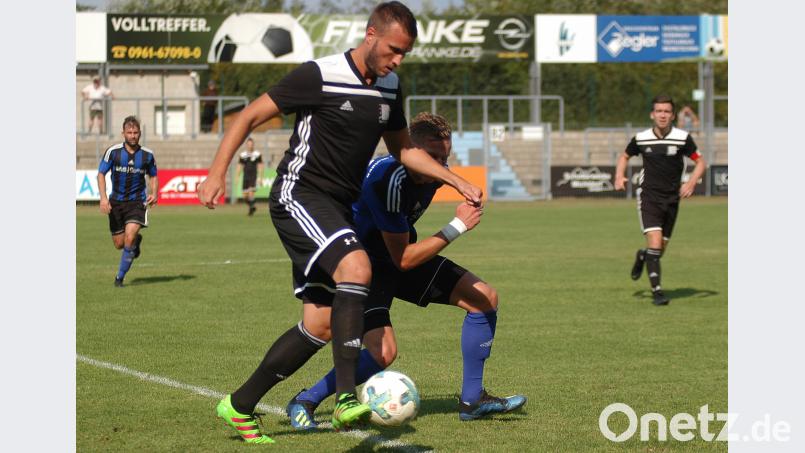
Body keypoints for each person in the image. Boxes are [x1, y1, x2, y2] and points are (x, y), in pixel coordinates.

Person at [197, 2, 482, 444]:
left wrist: (455, 180)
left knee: (320, 324)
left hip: (336, 208)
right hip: (300, 194)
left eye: (405, 53)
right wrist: (217, 171)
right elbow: (251, 114)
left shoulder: (390, 87)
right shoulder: (320, 73)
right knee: (357, 268)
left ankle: (238, 405)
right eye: (392, 50)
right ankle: (347, 398)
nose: (397, 60)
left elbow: (403, 149)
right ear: (371, 35)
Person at [285, 113, 526, 430]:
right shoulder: (387, 180)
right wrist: (457, 226)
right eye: (433, 156)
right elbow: (404, 261)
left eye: (445, 157)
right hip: (364, 265)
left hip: (398, 253)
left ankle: (473, 399)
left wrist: (467, 187)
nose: (440, 164)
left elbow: (446, 187)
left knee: (483, 298)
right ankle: (305, 401)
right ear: (410, 150)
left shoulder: (435, 173)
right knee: (383, 353)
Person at [614, 95, 706, 306]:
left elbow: (701, 162)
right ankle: (657, 292)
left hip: (672, 198)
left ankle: (642, 256)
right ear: (652, 114)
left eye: (667, 111)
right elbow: (624, 156)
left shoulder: (682, 138)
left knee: (658, 250)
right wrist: (619, 175)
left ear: (673, 115)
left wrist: (691, 183)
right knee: (655, 243)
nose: (662, 115)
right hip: (648, 197)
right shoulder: (642, 138)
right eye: (659, 111)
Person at [97, 116, 158, 288]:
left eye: (135, 132)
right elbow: (101, 174)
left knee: (129, 238)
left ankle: (119, 278)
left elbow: (153, 175)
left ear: (140, 133)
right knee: (120, 244)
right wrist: (103, 198)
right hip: (116, 202)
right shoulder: (113, 152)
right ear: (123, 133)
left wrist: (154, 192)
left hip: (137, 203)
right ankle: (136, 242)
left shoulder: (147, 155)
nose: (132, 136)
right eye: (129, 132)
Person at [236, 137, 264, 216]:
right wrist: (237, 176)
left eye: (251, 144)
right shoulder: (242, 155)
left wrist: (261, 177)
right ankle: (252, 206)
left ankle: (251, 209)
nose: (250, 146)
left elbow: (261, 165)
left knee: (251, 193)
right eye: (248, 144)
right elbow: (239, 165)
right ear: (246, 145)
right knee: (245, 196)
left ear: (253, 145)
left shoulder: (257, 154)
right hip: (245, 176)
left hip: (253, 176)